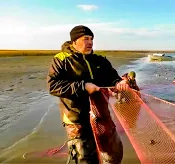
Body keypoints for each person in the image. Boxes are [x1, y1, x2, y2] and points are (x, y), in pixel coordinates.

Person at [47, 25, 129, 164]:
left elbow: (112, 78)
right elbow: (53, 86)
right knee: (85, 158)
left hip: (101, 117)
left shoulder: (100, 60)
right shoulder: (61, 60)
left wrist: (120, 82)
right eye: (85, 39)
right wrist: (83, 87)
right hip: (76, 119)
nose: (90, 42)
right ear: (74, 42)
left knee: (112, 154)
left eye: (91, 39)